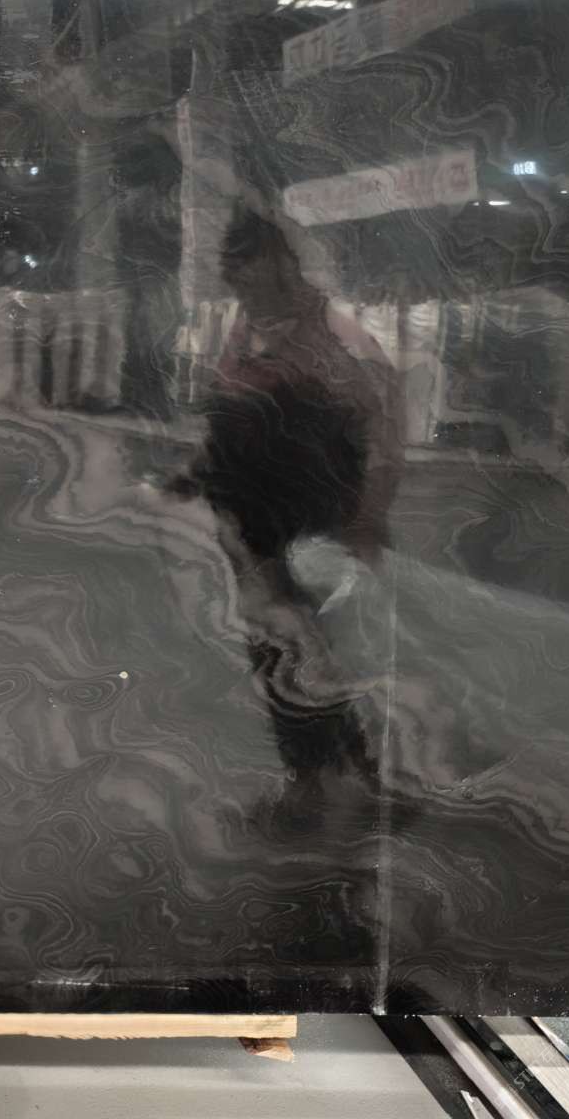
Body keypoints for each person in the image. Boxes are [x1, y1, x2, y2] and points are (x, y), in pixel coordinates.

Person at [171, 209, 401, 814]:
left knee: (306, 652)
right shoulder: (247, 327)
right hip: (251, 529)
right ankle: (341, 777)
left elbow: (380, 435)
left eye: (243, 267)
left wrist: (367, 522)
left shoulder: (335, 338)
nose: (235, 283)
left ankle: (333, 782)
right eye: (229, 271)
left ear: (278, 262)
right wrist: (196, 471)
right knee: (281, 652)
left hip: (312, 528)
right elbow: (230, 413)